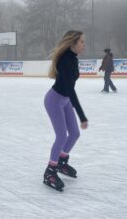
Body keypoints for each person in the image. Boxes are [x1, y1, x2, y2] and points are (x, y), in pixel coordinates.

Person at [43, 30, 88, 192]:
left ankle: (61, 161)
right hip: (54, 100)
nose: (84, 45)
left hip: (65, 100)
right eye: (82, 41)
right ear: (73, 43)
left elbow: (70, 90)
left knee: (74, 134)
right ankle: (50, 171)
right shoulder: (65, 60)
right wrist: (82, 116)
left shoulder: (73, 59)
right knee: (61, 135)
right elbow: (70, 89)